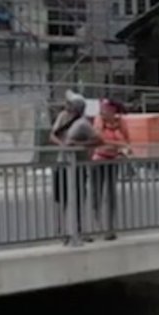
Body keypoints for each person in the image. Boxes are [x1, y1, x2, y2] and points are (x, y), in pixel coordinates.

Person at [50, 95, 99, 241]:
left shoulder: (83, 123)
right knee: (61, 199)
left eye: (70, 106)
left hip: (78, 166)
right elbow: (52, 135)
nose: (67, 108)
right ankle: (62, 231)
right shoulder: (62, 117)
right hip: (62, 164)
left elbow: (97, 139)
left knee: (77, 199)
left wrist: (79, 145)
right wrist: (63, 145)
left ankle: (78, 230)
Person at [91, 99, 131, 241]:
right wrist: (117, 144)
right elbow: (98, 139)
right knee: (97, 192)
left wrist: (121, 149)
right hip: (99, 159)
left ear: (113, 111)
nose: (103, 112)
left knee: (111, 193)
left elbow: (127, 140)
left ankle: (110, 225)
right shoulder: (99, 120)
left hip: (113, 160)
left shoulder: (120, 122)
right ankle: (96, 224)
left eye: (106, 109)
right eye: (102, 109)